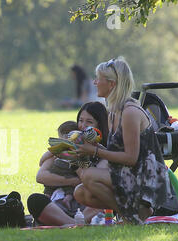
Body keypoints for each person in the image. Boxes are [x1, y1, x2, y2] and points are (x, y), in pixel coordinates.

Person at [73, 57, 171, 224]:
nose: (95, 82)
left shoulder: (129, 112)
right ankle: (135, 213)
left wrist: (95, 151)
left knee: (89, 176)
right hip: (128, 174)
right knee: (81, 192)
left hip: (146, 179)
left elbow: (131, 158)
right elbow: (117, 152)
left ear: (111, 84)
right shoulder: (113, 112)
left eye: (98, 79)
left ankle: (131, 217)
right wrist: (92, 148)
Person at [28, 101, 109, 226]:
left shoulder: (103, 154)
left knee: (103, 199)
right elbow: (41, 176)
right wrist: (70, 181)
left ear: (99, 126)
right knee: (35, 200)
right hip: (59, 204)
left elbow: (88, 180)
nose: (82, 126)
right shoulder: (65, 146)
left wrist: (74, 157)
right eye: (81, 121)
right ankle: (72, 223)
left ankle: (72, 223)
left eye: (89, 122)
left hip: (87, 205)